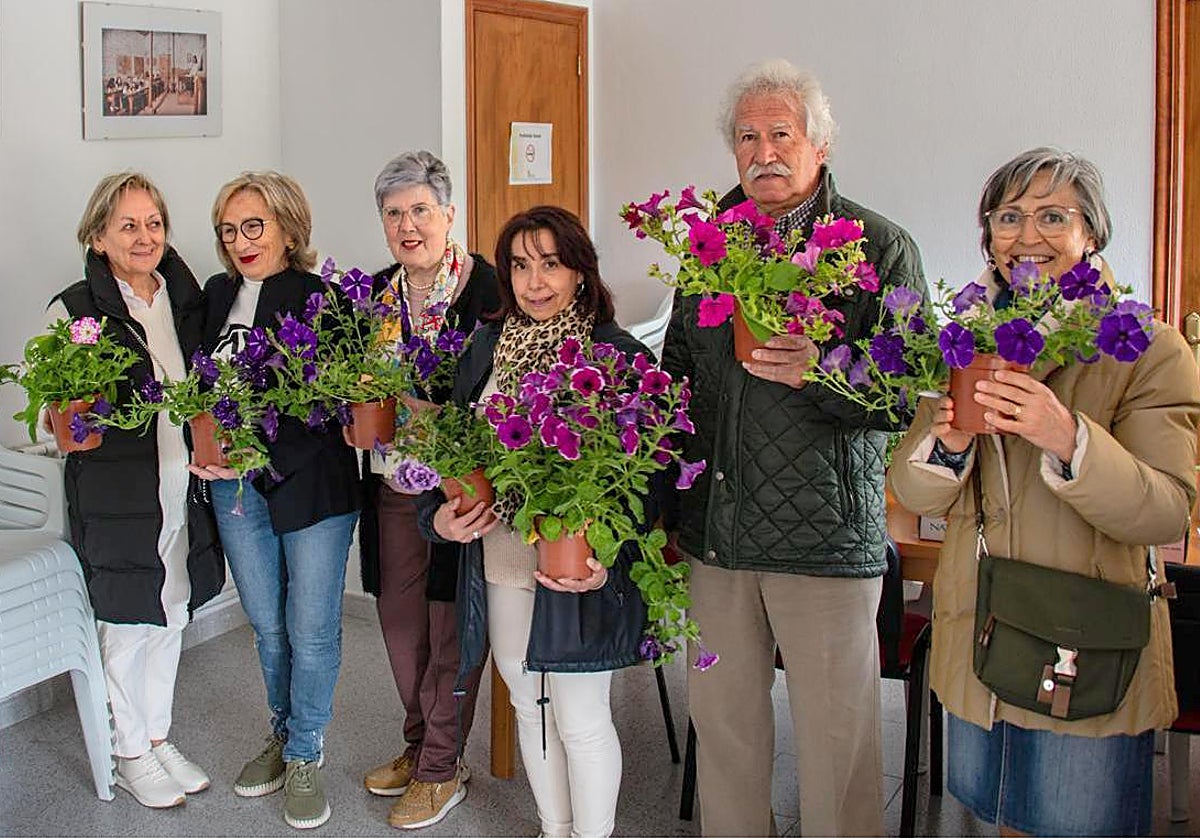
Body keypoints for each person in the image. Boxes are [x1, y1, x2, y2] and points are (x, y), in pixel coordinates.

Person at [887, 147, 1200, 837]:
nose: (1027, 235)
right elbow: (913, 491)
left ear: (1091, 233)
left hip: (1085, 648)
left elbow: (1166, 510)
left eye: (1053, 216)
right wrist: (949, 442)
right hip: (983, 637)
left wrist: (1068, 438)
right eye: (1009, 217)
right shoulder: (964, 342)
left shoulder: (1147, 349)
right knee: (995, 820)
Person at [660, 59, 928, 837]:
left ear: (820, 144)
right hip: (718, 536)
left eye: (781, 133)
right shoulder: (708, 247)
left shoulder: (879, 246)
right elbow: (678, 375)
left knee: (838, 746)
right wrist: (665, 503)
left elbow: (904, 392)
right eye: (748, 137)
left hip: (826, 540)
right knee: (725, 733)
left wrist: (823, 370)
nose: (764, 151)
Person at [417, 206, 650, 838]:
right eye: (520, 266)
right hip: (502, 560)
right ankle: (553, 828)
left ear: (580, 270)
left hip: (578, 567)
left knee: (580, 717)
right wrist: (440, 517)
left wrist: (609, 557)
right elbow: (452, 450)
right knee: (527, 701)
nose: (535, 281)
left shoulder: (614, 354)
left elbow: (650, 482)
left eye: (551, 263)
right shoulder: (487, 349)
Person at [190, 171, 360, 831]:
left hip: (312, 489)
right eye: (229, 230)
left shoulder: (322, 299)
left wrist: (261, 452)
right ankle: (284, 732)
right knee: (267, 624)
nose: (241, 241)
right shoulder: (216, 294)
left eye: (254, 226)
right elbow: (195, 384)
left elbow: (335, 406)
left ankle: (306, 752)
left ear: (289, 227)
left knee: (311, 628)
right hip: (235, 490)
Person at [53, 172, 223, 809]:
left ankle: (156, 736)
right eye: (128, 225)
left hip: (182, 484)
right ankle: (128, 752)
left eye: (154, 223)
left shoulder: (185, 298)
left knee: (172, 609)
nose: (144, 236)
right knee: (127, 621)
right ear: (98, 237)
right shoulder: (75, 311)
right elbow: (56, 408)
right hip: (119, 494)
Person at [358, 150, 499, 830]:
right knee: (400, 624)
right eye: (394, 214)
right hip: (393, 484)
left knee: (450, 629)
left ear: (449, 213)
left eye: (420, 210)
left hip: (457, 490)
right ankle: (418, 747)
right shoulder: (375, 296)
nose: (407, 226)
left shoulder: (487, 291)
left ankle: (442, 767)